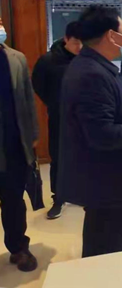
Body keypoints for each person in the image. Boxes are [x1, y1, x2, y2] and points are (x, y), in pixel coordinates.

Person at [59, 6, 122, 258]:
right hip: (107, 182)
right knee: (103, 251)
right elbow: (103, 135)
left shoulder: (98, 66)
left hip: (111, 181)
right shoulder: (91, 74)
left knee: (107, 247)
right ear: (111, 36)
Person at [32, 21, 83, 220]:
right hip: (60, 117)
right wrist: (54, 102)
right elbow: (38, 84)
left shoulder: (87, 59)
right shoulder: (48, 60)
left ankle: (80, 192)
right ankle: (59, 198)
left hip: (86, 117)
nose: (80, 47)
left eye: (84, 42)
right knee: (59, 157)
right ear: (66, 39)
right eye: (76, 42)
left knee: (84, 156)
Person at [0, 18, 39, 271]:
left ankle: (18, 247)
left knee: (14, 199)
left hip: (13, 143)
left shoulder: (16, 58)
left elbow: (27, 99)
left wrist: (32, 134)